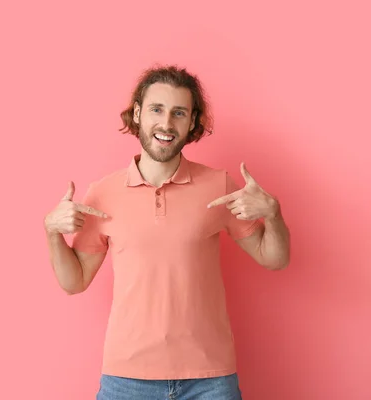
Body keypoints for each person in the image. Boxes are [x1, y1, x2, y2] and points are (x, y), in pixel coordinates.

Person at [43, 65, 291, 400]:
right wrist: (52, 233)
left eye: (179, 113)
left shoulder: (218, 185)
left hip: (210, 379)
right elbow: (75, 281)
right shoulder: (102, 193)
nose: (166, 123)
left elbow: (274, 259)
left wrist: (273, 214)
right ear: (138, 113)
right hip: (126, 379)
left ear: (191, 123)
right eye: (157, 109)